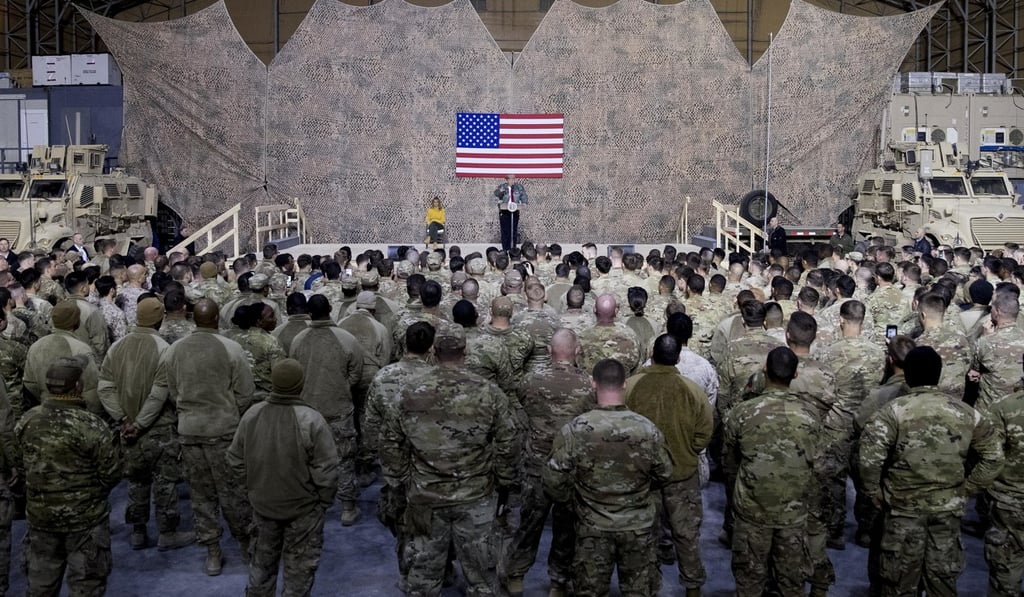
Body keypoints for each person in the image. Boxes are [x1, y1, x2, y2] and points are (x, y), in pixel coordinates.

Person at [379, 333, 518, 596]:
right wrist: (504, 481)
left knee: (422, 579)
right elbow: (509, 441)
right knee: (483, 580)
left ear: (433, 352)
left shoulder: (410, 391)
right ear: (464, 354)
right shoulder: (488, 391)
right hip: (475, 496)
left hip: (425, 498)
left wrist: (400, 481)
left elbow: (389, 442)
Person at [858, 347, 1002, 596]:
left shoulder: (892, 411)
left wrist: (873, 491)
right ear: (938, 375)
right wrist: (968, 489)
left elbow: (869, 459)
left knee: (899, 583)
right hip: (947, 513)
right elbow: (994, 457)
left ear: (908, 374)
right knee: (942, 581)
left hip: (902, 511)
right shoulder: (966, 413)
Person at [134, 298, 255, 576]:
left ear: (194, 318)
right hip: (224, 431)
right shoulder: (231, 349)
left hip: (189, 431)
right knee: (234, 493)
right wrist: (229, 414)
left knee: (201, 495)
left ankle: (212, 552)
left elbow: (173, 391)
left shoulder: (175, 350)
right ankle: (247, 546)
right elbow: (245, 393)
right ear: (215, 319)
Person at [544, 358, 673, 596]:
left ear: (593, 385)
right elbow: (665, 473)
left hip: (592, 527)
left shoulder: (575, 430)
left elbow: (552, 480)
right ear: (625, 384)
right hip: (638, 527)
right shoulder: (647, 430)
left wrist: (573, 501)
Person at [228, 359, 339, 597]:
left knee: (260, 569)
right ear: (301, 384)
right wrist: (323, 502)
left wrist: (253, 487)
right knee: (298, 575)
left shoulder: (252, 414)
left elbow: (235, 459)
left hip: (263, 506)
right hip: (303, 510)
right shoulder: (311, 419)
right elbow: (327, 470)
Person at [16, 357, 122, 597]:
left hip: (40, 519)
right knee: (86, 585)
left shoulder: (27, 420)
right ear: (77, 387)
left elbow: (17, 463)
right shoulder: (91, 425)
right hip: (85, 520)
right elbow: (112, 474)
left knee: (40, 585)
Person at [97, 297, 194, 552]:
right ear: (160, 318)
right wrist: (139, 423)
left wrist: (123, 420)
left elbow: (105, 388)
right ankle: (167, 532)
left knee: (137, 482)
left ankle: (138, 532)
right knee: (165, 482)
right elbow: (159, 393)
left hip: (127, 429)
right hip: (158, 429)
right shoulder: (163, 348)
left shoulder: (116, 348)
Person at [504, 328, 595, 596]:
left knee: (529, 525)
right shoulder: (588, 385)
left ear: (549, 351)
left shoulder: (531, 381)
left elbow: (518, 405)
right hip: (570, 469)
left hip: (537, 466)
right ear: (577, 351)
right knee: (566, 528)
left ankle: (515, 576)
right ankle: (558, 581)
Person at [723, 347, 819, 597]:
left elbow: (730, 461)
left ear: (765, 370)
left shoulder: (743, 413)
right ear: (796, 374)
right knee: (791, 582)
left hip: (752, 511)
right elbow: (816, 461)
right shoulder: (811, 414)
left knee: (749, 582)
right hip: (793, 511)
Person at [625, 334, 713, 597]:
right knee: (686, 537)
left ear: (651, 354)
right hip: (682, 475)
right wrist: (686, 451)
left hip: (642, 476)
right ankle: (693, 587)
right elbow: (704, 433)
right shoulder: (693, 391)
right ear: (677, 358)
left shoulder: (631, 386)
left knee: (644, 536)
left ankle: (648, 587)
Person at [493, 174, 528, 251]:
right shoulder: (502, 186)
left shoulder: (519, 187)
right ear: (507, 180)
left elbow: (524, 196)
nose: (512, 181)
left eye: (513, 179)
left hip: (515, 211)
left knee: (513, 230)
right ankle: (505, 249)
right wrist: (500, 192)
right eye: (510, 179)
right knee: (505, 231)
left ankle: (513, 249)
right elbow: (496, 194)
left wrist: (524, 203)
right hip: (504, 212)